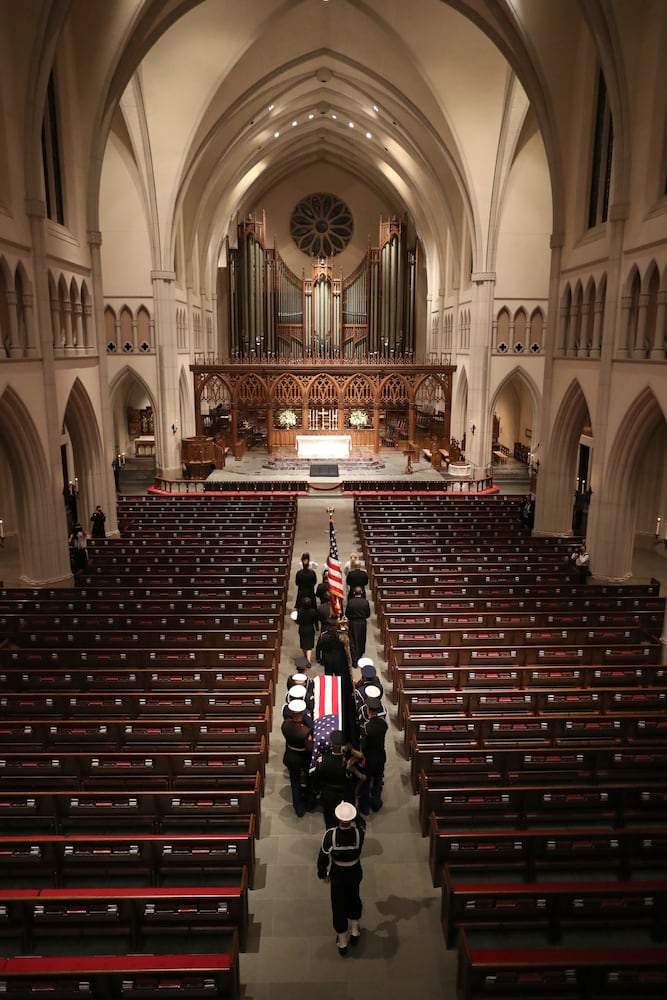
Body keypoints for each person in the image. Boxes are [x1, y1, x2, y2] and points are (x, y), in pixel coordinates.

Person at [317, 801, 366, 956]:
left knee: (338, 905)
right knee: (354, 898)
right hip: (355, 871)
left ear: (337, 818)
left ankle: (342, 941)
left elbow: (323, 858)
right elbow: (361, 822)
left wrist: (322, 873)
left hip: (338, 873)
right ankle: (355, 930)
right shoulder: (360, 833)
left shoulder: (330, 836)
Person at [315, 729, 357, 829]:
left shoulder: (323, 760)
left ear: (331, 745)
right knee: (344, 815)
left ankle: (330, 831)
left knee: (329, 817)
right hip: (344, 792)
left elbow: (318, 776)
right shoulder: (348, 762)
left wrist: (316, 790)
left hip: (328, 793)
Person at [281, 699, 313, 817]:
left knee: (295, 782)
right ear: (302, 713)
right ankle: (309, 803)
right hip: (304, 758)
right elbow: (310, 747)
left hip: (291, 756)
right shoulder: (305, 731)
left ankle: (298, 808)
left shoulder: (285, 725)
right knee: (309, 780)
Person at [359, 695, 388, 815]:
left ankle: (365, 807)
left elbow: (364, 745)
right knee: (377, 780)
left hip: (369, 759)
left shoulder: (367, 727)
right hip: (380, 756)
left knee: (366, 782)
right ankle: (376, 803)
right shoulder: (383, 724)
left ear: (368, 710)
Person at [345, 584, 371, 666]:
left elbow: (347, 614)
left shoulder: (350, 602)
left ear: (353, 593)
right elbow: (368, 614)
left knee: (352, 641)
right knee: (361, 640)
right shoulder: (365, 602)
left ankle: (354, 660)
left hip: (353, 623)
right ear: (362, 592)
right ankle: (359, 656)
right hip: (362, 623)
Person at [296, 595, 319, 665]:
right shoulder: (313, 611)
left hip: (302, 628)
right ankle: (308, 660)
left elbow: (298, 621)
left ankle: (305, 657)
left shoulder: (300, 611)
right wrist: (317, 627)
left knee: (303, 644)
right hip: (310, 628)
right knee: (309, 644)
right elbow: (315, 621)